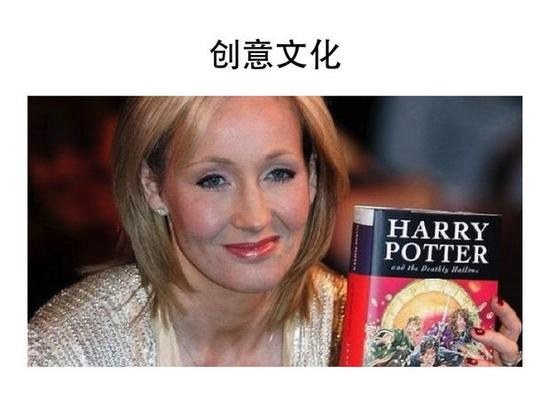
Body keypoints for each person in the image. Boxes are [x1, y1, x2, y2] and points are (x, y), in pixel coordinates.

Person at [27, 96, 522, 367]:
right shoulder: (67, 352)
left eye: (279, 173)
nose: (254, 216)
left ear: (313, 177)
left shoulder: (379, 331)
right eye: (213, 179)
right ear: (153, 188)